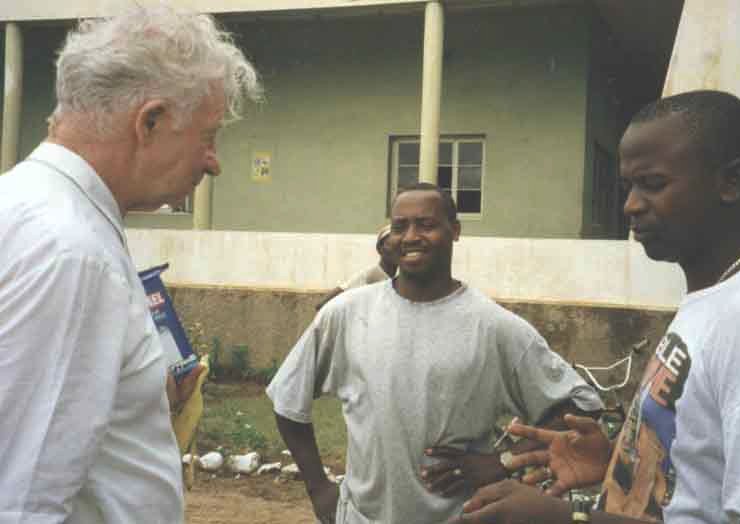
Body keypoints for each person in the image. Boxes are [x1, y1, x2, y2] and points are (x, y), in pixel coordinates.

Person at [453, 90, 740, 524]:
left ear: (731, 182)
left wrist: (569, 519)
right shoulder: (713, 299)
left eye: (652, 184)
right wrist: (623, 465)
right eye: (627, 186)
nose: (630, 205)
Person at [0, 6, 261, 523]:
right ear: (151, 121)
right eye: (208, 137)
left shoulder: (30, 207)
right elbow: (23, 499)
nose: (214, 162)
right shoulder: (72, 252)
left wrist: (134, 396)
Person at [266, 183, 602, 524]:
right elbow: (287, 398)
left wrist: (503, 462)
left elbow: (581, 404)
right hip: (359, 517)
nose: (410, 236)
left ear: (454, 231)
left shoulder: (493, 326)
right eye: (400, 226)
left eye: (426, 225)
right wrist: (319, 490)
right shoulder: (347, 313)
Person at [316, 224, 397, 310]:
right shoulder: (371, 275)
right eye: (390, 245)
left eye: (398, 246)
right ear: (380, 249)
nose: (395, 250)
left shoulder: (399, 280)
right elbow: (322, 304)